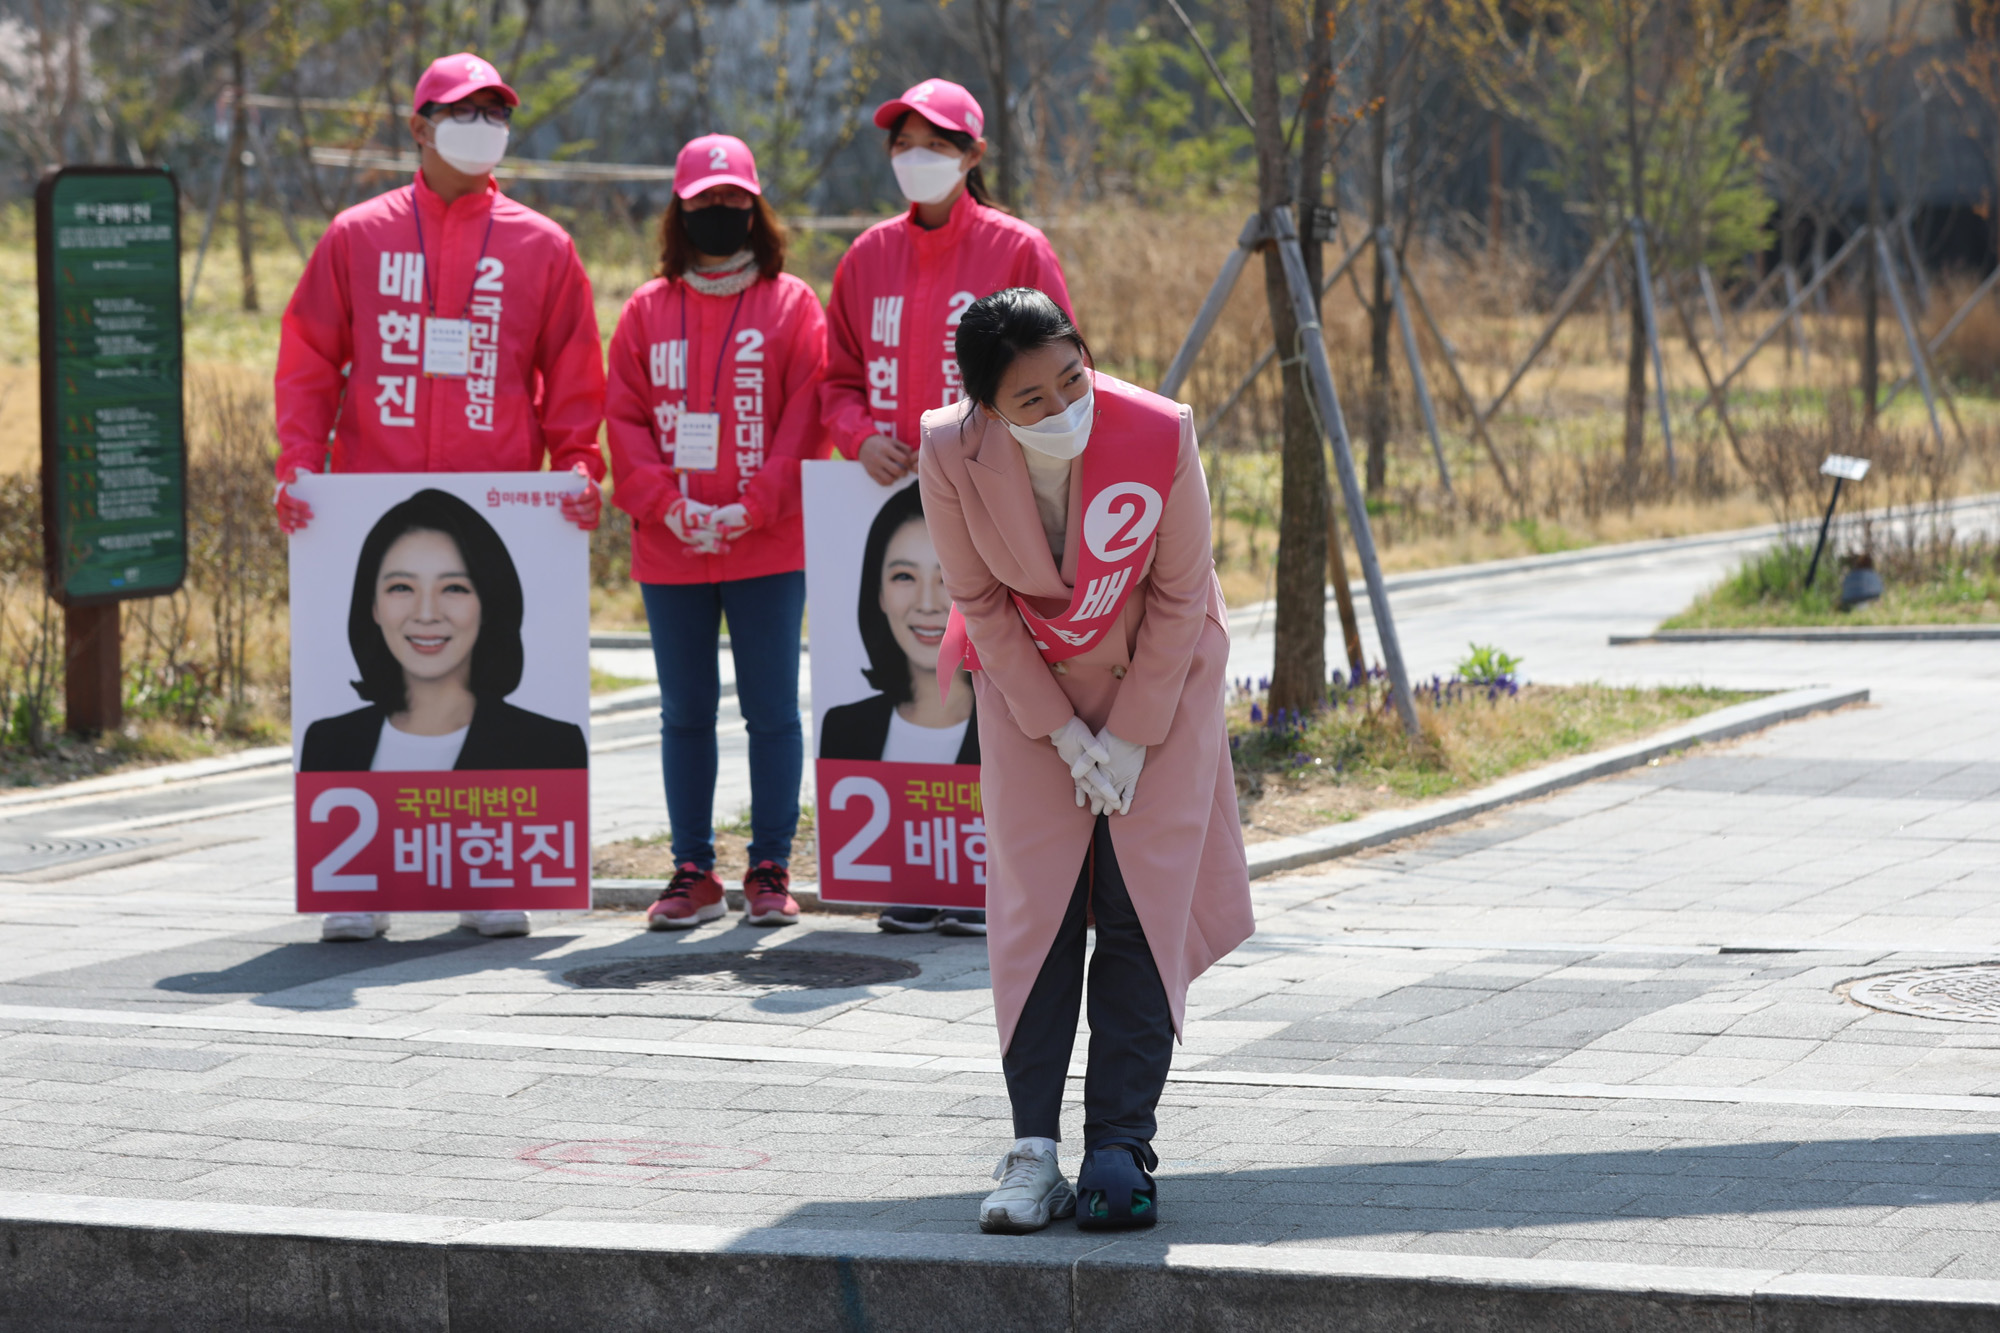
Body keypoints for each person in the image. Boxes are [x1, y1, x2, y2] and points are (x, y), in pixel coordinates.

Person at [917, 288, 1253, 1235]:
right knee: (1041, 910)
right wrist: (1065, 734)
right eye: (1032, 400)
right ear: (988, 408)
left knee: (1142, 902)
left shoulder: (1156, 431)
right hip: (1032, 697)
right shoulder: (948, 453)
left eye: (1073, 378)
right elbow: (982, 605)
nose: (1065, 407)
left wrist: (1136, 734)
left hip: (1164, 681)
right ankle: (1031, 1152)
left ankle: (1119, 1145)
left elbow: (1184, 593)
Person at [273, 52, 606, 943]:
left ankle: (488, 874)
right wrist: (299, 464)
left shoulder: (543, 245)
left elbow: (572, 369)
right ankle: (361, 879)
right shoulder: (357, 234)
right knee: (390, 687)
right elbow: (310, 355)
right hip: (368, 503)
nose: (481, 125)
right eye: (462, 111)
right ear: (419, 126)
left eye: (495, 111)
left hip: (495, 507)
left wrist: (579, 463)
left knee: (476, 685)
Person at [821, 75, 1070, 934]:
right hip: (892, 507)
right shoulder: (865, 258)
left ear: (973, 155)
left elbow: (1056, 376)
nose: (915, 158)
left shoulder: (1017, 251)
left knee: (999, 676)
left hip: (993, 503)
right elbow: (836, 378)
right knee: (923, 675)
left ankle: (991, 869)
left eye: (934, 143)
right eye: (901, 143)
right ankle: (918, 869)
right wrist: (858, 433)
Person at [604, 134, 828, 932]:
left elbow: (807, 413)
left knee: (772, 711)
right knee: (684, 711)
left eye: (735, 202)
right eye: (704, 204)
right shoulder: (644, 310)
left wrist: (752, 505)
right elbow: (624, 420)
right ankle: (691, 870)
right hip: (672, 546)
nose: (720, 215)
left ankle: (770, 866)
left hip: (765, 543)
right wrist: (668, 504)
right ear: (679, 211)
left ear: (756, 208)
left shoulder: (793, 305)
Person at [301, 488, 587, 773]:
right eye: (401, 587)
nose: (427, 615)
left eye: (454, 588)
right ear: (372, 606)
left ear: (487, 605)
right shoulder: (326, 743)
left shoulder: (553, 746)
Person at [817, 483, 978, 765]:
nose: (926, 604)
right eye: (904, 576)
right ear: (878, 593)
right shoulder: (843, 728)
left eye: (947, 579)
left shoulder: (1013, 727)